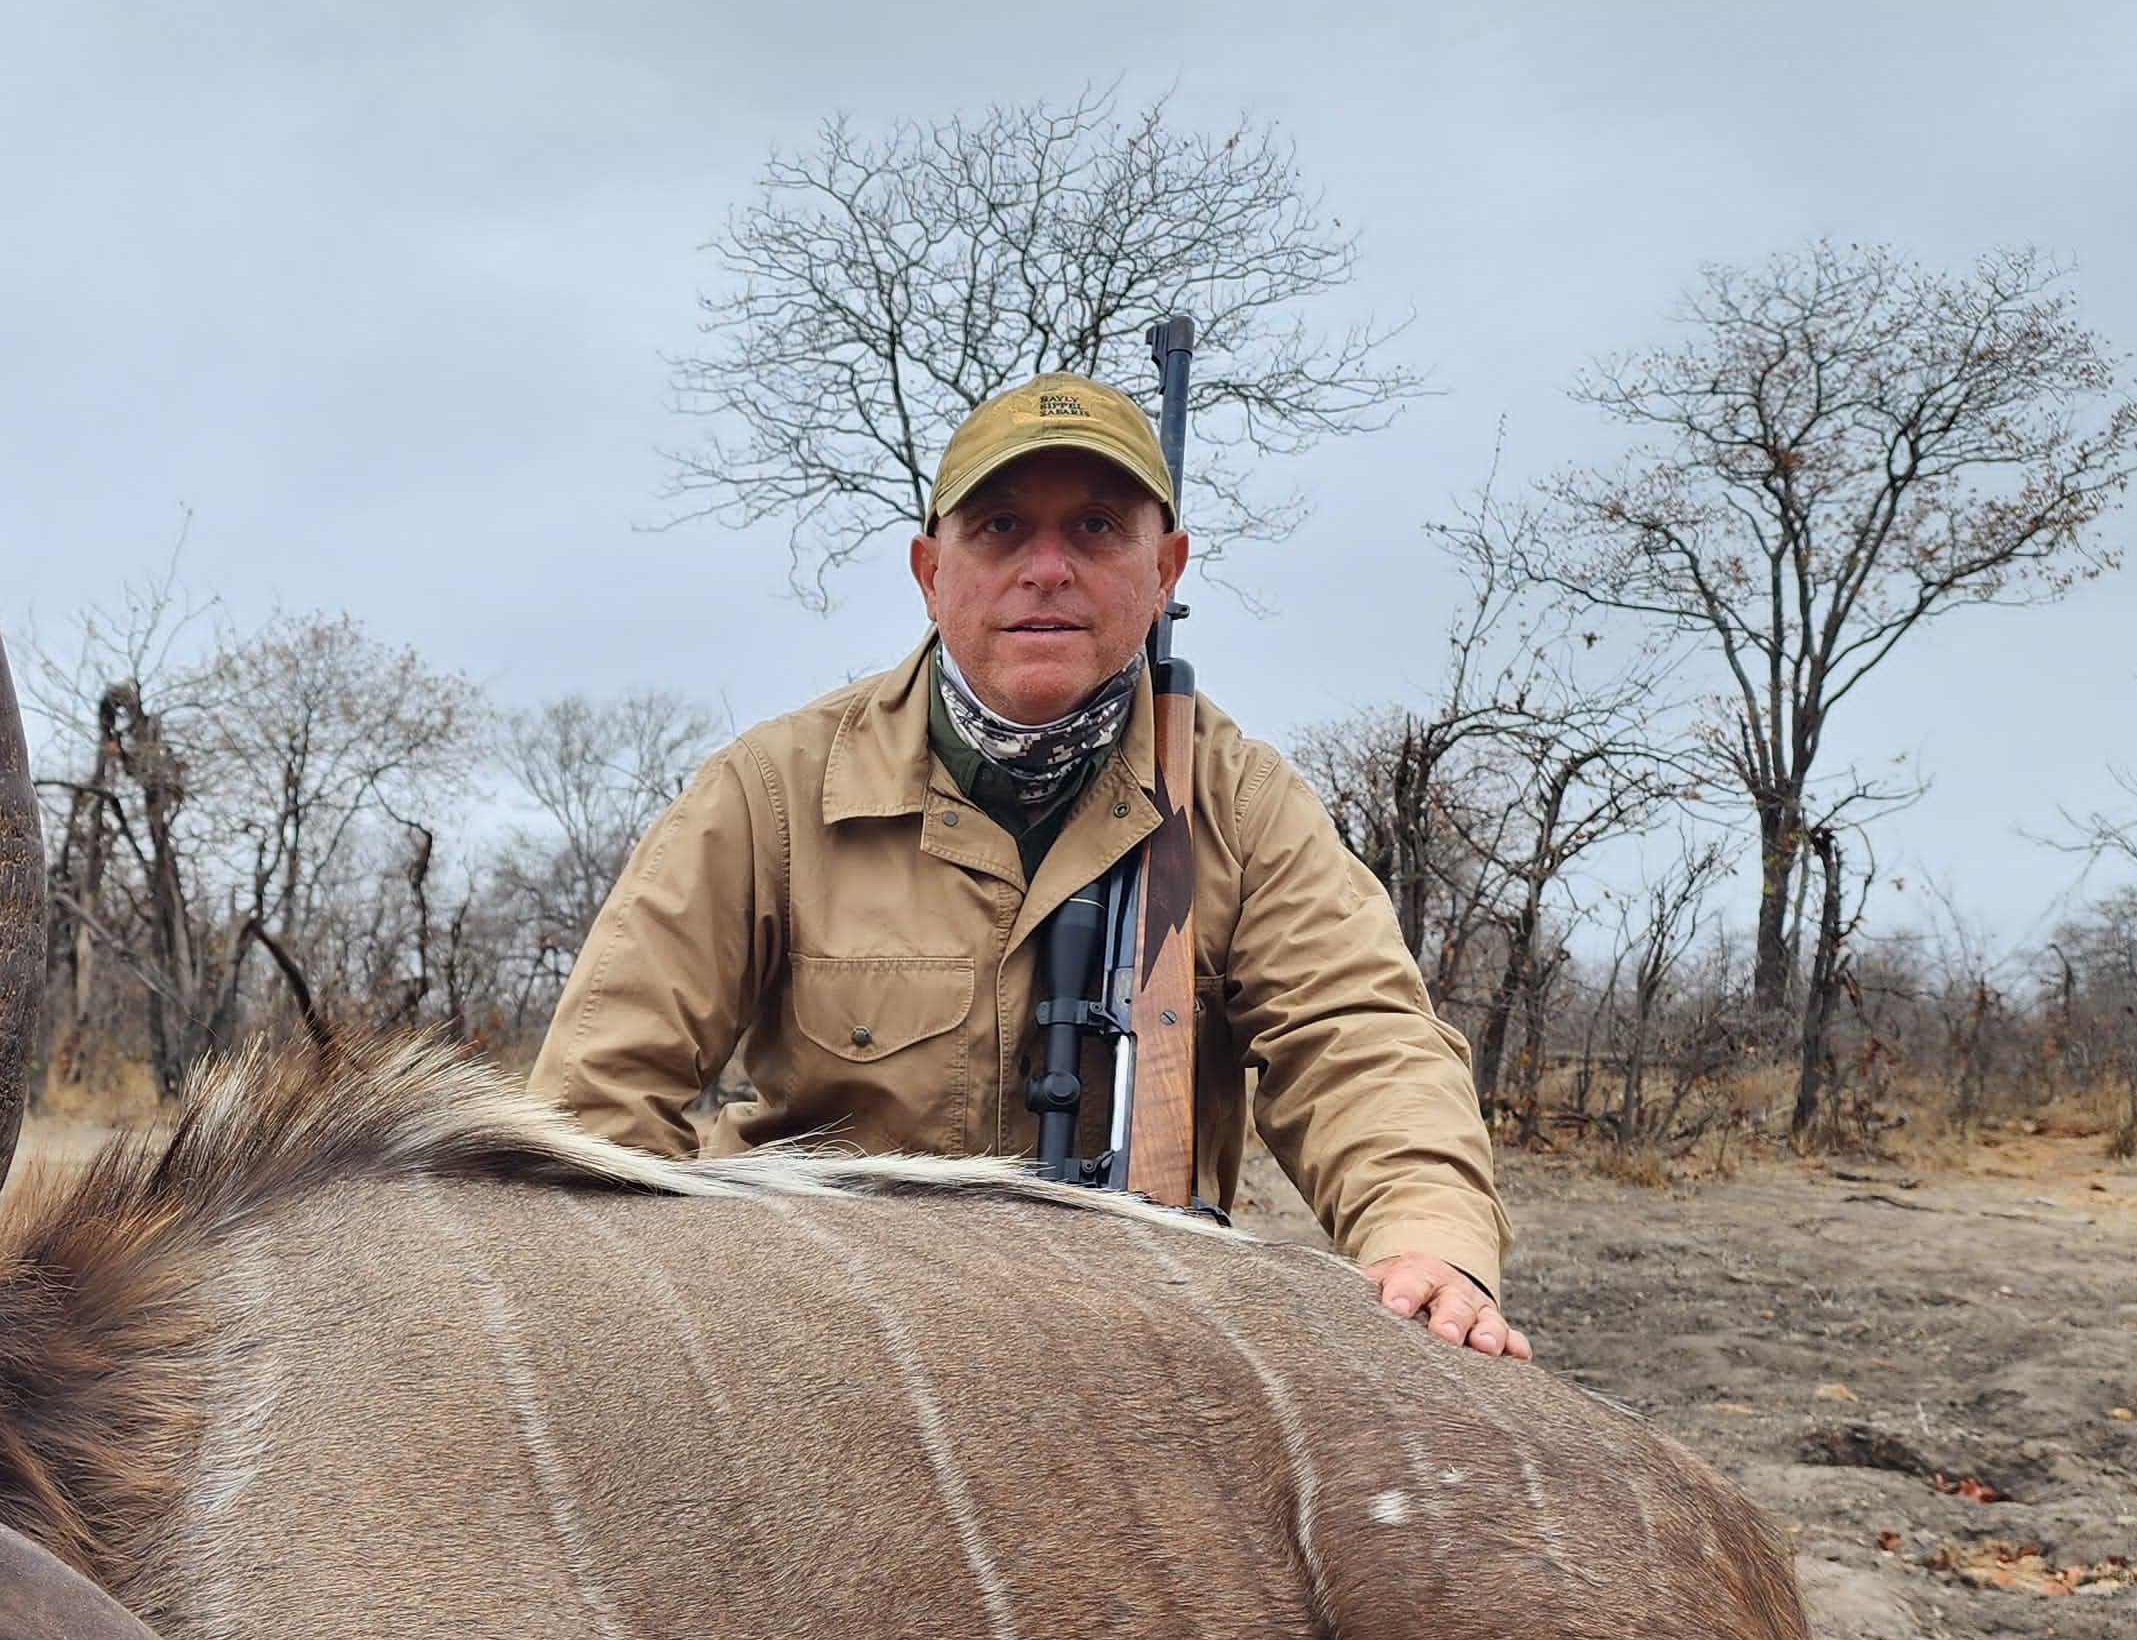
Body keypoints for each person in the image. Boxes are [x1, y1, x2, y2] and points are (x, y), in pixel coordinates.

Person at [532, 371, 1526, 1357]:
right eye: (1000, 528)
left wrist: (1427, 1240)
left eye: (1096, 528)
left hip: (1134, 1342)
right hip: (821, 1348)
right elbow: (597, 1096)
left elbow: (1356, 1033)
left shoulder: (1243, 802)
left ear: (1165, 569)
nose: (1045, 568)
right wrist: (674, 1333)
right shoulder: (772, 789)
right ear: (930, 571)